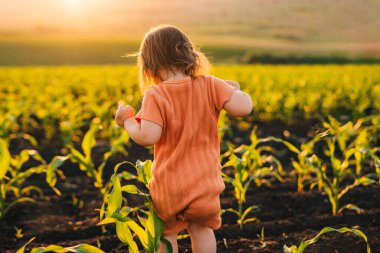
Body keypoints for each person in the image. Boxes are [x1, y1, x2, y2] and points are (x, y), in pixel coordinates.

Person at [115, 24, 252, 253]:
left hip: (169, 185)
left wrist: (127, 122)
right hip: (204, 182)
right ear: (189, 53)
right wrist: (234, 91)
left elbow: (148, 136)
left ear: (148, 64)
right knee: (202, 230)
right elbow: (244, 107)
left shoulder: (156, 94)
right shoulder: (210, 84)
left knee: (165, 234)